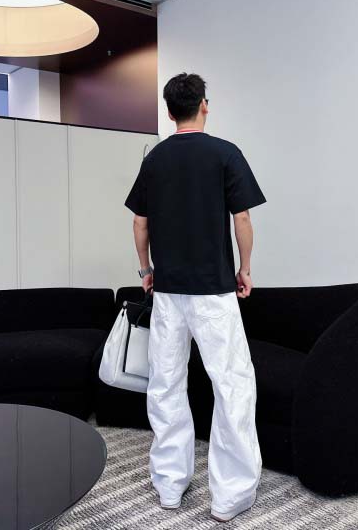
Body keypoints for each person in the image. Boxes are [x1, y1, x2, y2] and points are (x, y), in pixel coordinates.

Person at [124, 72, 267, 523]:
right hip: (214, 293)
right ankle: (230, 496)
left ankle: (169, 486)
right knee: (232, 386)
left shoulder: (155, 158)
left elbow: (140, 223)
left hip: (168, 294)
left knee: (166, 384)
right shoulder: (225, 153)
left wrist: (146, 271)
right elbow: (241, 218)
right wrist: (245, 269)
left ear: (169, 112)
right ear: (204, 104)